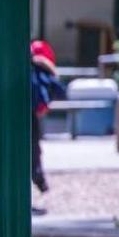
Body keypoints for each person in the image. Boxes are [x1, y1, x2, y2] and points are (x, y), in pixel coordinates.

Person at [29, 40, 65, 215]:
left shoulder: (36, 53)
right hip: (21, 111)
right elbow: (57, 85)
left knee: (31, 152)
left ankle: (37, 183)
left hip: (27, 111)